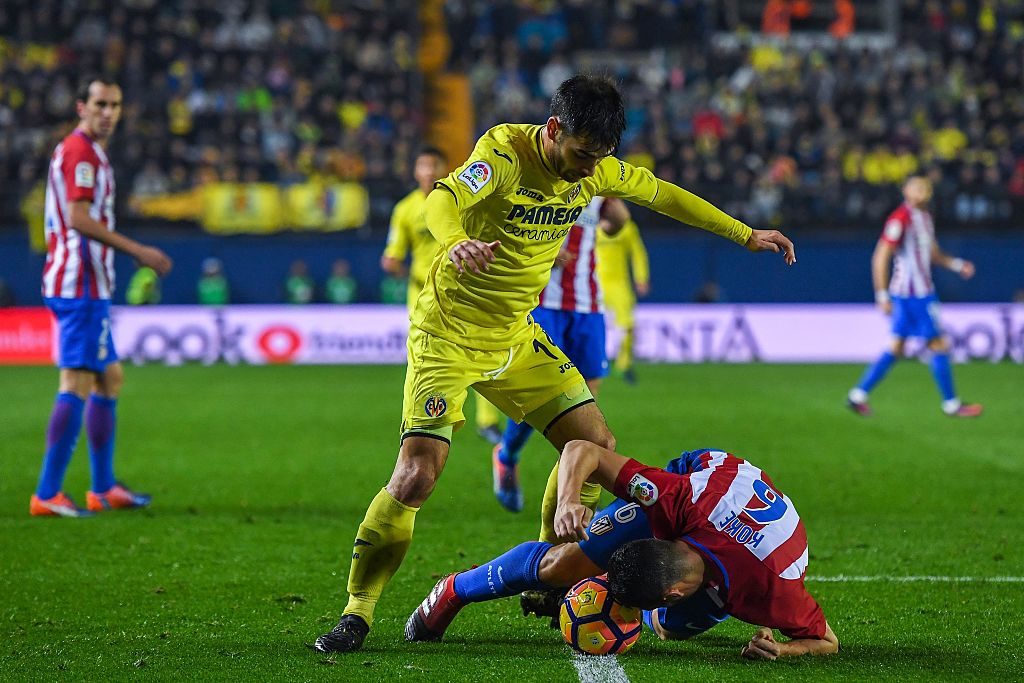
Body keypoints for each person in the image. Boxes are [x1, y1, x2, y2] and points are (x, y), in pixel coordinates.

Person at [314, 74, 795, 654]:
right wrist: (452, 242)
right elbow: (443, 199)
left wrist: (744, 234)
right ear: (553, 130)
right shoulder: (504, 154)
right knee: (418, 472)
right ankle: (357, 612)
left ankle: (548, 572)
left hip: (516, 338)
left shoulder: (594, 168)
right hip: (448, 333)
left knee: (596, 442)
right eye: (583, 155)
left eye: (601, 159)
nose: (590, 171)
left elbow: (664, 194)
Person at [406, 443, 840, 661]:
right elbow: (582, 450)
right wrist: (568, 502)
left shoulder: (766, 594)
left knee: (671, 631)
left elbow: (826, 641)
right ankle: (454, 590)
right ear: (656, 536)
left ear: (673, 592)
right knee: (563, 564)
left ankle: (603, 588)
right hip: (705, 483)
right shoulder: (668, 501)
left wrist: (784, 650)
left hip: (756, 549)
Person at [31, 75, 173, 517]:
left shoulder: (92, 153)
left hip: (89, 283)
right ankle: (47, 493)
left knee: (109, 378)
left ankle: (103, 486)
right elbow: (76, 217)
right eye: (99, 104)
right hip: (79, 284)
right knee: (74, 382)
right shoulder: (80, 152)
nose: (107, 112)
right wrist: (138, 250)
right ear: (81, 107)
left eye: (114, 105)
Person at [492, 195, 630, 513]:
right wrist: (539, 253)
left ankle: (568, 489)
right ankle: (507, 455)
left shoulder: (599, 184)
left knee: (585, 404)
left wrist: (615, 216)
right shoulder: (541, 181)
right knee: (542, 394)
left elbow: (618, 220)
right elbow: (504, 228)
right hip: (544, 302)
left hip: (587, 304)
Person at [381, 146, 505, 445]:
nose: (429, 172)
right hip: (423, 294)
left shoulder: (460, 202)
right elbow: (392, 256)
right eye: (423, 166)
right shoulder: (405, 210)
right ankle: (419, 422)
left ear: (445, 168)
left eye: (434, 165)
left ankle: (487, 421)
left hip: (461, 290)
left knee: (480, 351)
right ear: (415, 171)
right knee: (424, 360)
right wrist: (396, 265)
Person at [847, 176, 982, 418]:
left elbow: (933, 255)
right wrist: (881, 294)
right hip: (912, 294)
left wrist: (958, 265)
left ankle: (857, 395)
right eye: (917, 187)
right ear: (905, 191)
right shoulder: (900, 218)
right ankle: (951, 404)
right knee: (938, 344)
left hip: (921, 291)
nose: (923, 191)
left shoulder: (925, 218)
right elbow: (880, 256)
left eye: (926, 187)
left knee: (897, 347)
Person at [595, 217, 649, 384]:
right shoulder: (589, 223)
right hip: (594, 282)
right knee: (590, 324)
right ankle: (592, 363)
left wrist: (641, 277)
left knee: (627, 326)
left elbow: (637, 252)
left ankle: (623, 365)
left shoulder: (627, 227)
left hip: (619, 284)